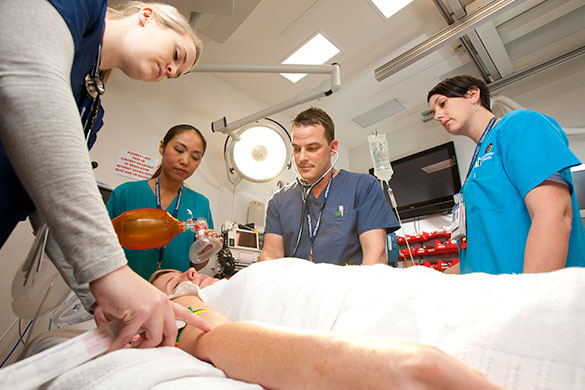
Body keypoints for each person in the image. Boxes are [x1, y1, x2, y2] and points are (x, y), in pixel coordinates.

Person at [0, 0, 210, 351]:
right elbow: (26, 76)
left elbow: (49, 207)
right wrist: (110, 273)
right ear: (147, 16)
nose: (172, 70)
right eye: (176, 54)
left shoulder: (90, 110)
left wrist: (98, 300)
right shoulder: (80, 6)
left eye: (178, 71)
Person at [149, 266, 501, 390]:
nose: (189, 274)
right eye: (174, 281)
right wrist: (364, 366)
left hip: (373, 285)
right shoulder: (191, 305)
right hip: (365, 317)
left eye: (185, 270)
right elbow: (215, 339)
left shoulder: (243, 276)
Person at [427, 75, 585, 274]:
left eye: (442, 104)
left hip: (536, 293)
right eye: (433, 112)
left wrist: (532, 297)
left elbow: (554, 214)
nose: (437, 116)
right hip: (496, 294)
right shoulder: (477, 165)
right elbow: (481, 254)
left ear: (473, 94)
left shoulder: (520, 125)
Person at [259, 107, 399, 265]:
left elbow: (375, 254)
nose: (302, 157)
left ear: (333, 148)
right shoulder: (278, 201)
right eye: (296, 149)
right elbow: (271, 253)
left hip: (348, 288)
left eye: (312, 148)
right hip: (298, 288)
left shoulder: (363, 186)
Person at [107, 124, 218, 279]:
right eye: (179, 150)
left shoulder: (200, 204)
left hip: (171, 295)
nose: (185, 161)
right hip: (123, 289)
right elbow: (100, 247)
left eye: (195, 157)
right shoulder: (126, 193)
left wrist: (206, 250)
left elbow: (195, 265)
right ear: (162, 146)